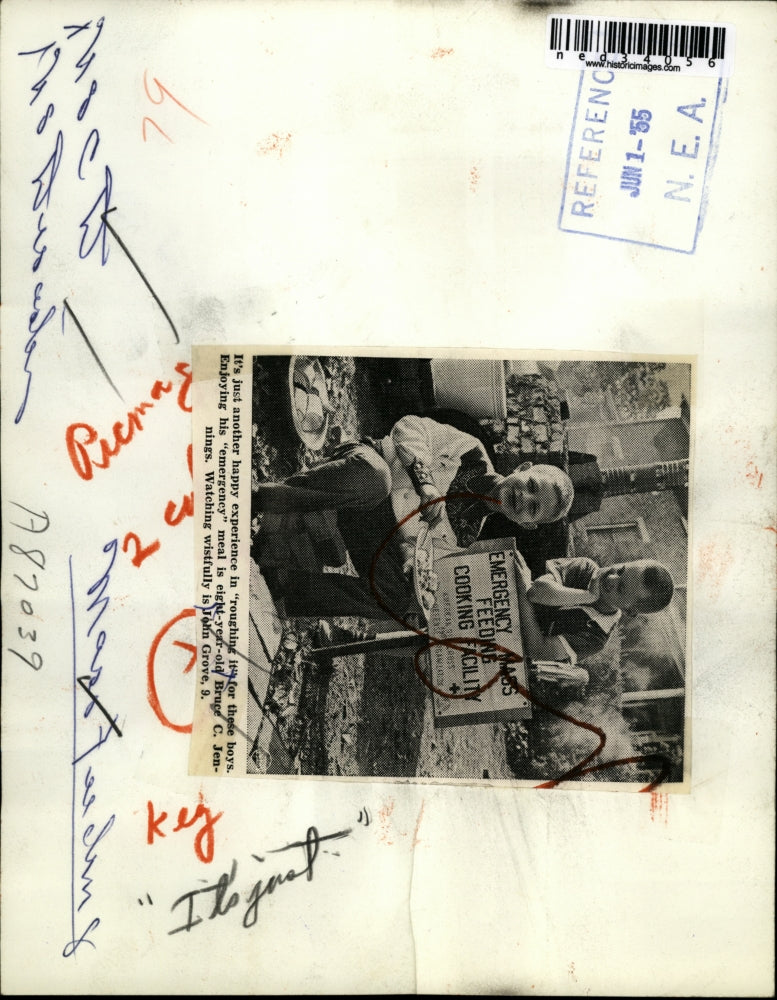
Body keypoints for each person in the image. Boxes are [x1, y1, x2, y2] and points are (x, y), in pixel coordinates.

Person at [254, 414, 574, 619]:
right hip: (367, 469)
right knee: (377, 479)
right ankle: (264, 501)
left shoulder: (465, 536)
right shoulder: (471, 452)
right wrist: (425, 480)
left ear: (525, 523)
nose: (524, 497)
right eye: (531, 486)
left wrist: (413, 564)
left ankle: (284, 588)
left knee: (396, 598)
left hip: (372, 526)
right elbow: (409, 427)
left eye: (533, 507)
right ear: (522, 468)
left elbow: (415, 546)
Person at [514, 555, 675, 666]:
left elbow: (536, 649)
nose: (611, 578)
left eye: (620, 588)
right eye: (620, 570)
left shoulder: (596, 638)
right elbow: (537, 592)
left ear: (629, 611)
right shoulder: (586, 568)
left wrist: (589, 597)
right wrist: (585, 595)